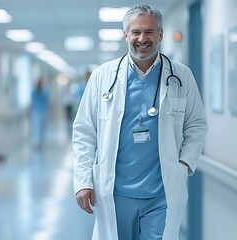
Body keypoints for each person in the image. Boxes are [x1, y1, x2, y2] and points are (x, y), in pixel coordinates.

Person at [72, 4, 207, 240]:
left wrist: (184, 164)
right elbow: (84, 131)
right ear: (126, 35)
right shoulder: (103, 76)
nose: (142, 39)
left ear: (161, 34)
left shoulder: (181, 75)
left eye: (149, 32)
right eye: (136, 32)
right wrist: (83, 181)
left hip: (161, 194)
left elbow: (196, 124)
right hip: (116, 193)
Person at [30, 78, 49, 151]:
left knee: (36, 127)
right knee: (41, 128)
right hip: (42, 111)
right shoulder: (44, 92)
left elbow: (32, 103)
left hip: (36, 112)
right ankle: (39, 142)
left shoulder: (35, 92)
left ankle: (37, 142)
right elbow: (47, 103)